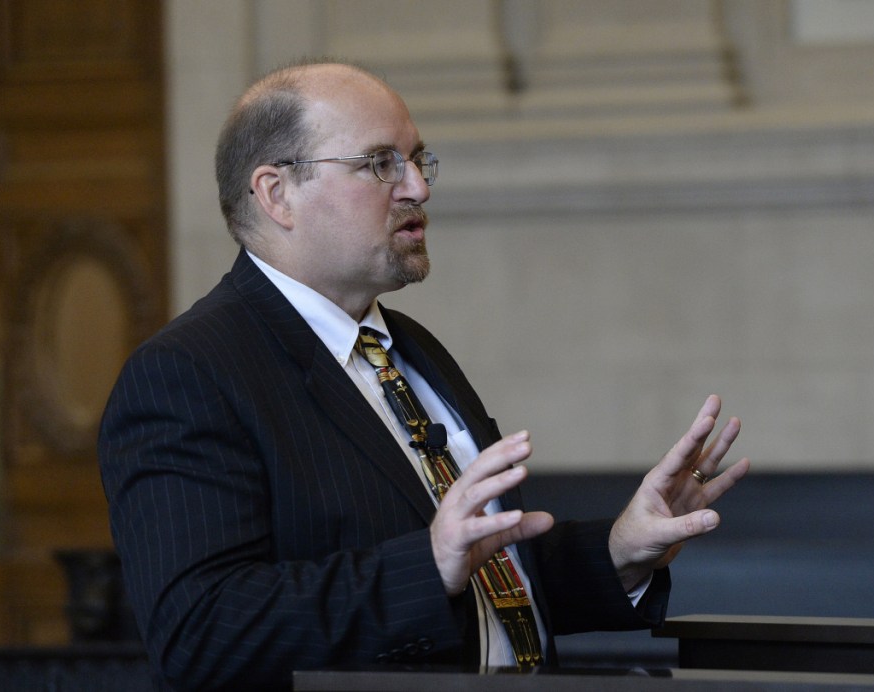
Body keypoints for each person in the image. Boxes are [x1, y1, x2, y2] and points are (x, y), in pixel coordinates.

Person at [98, 60, 749, 691]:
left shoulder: (407, 347)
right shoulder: (187, 375)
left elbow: (488, 575)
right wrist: (427, 566)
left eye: (417, 159)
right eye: (380, 163)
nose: (417, 187)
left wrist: (620, 549)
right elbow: (201, 638)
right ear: (277, 194)